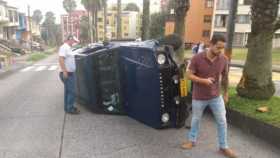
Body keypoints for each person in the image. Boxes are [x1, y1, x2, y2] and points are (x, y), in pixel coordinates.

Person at [181, 34, 237, 158]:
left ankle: (224, 147)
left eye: (222, 48)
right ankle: (192, 141)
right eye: (218, 47)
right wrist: (203, 81)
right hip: (199, 97)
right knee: (196, 119)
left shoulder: (223, 59)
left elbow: (225, 78)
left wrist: (226, 93)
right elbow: (188, 75)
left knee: (222, 121)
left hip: (216, 96)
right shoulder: (197, 58)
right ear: (211, 44)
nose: (220, 51)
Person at [58, 35, 80, 114]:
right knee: (72, 92)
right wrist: (64, 71)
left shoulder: (69, 47)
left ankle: (67, 107)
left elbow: (78, 43)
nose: (74, 42)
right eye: (73, 40)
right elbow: (61, 59)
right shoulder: (64, 47)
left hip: (70, 73)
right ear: (69, 40)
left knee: (68, 91)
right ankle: (70, 108)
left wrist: (75, 40)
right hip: (67, 73)